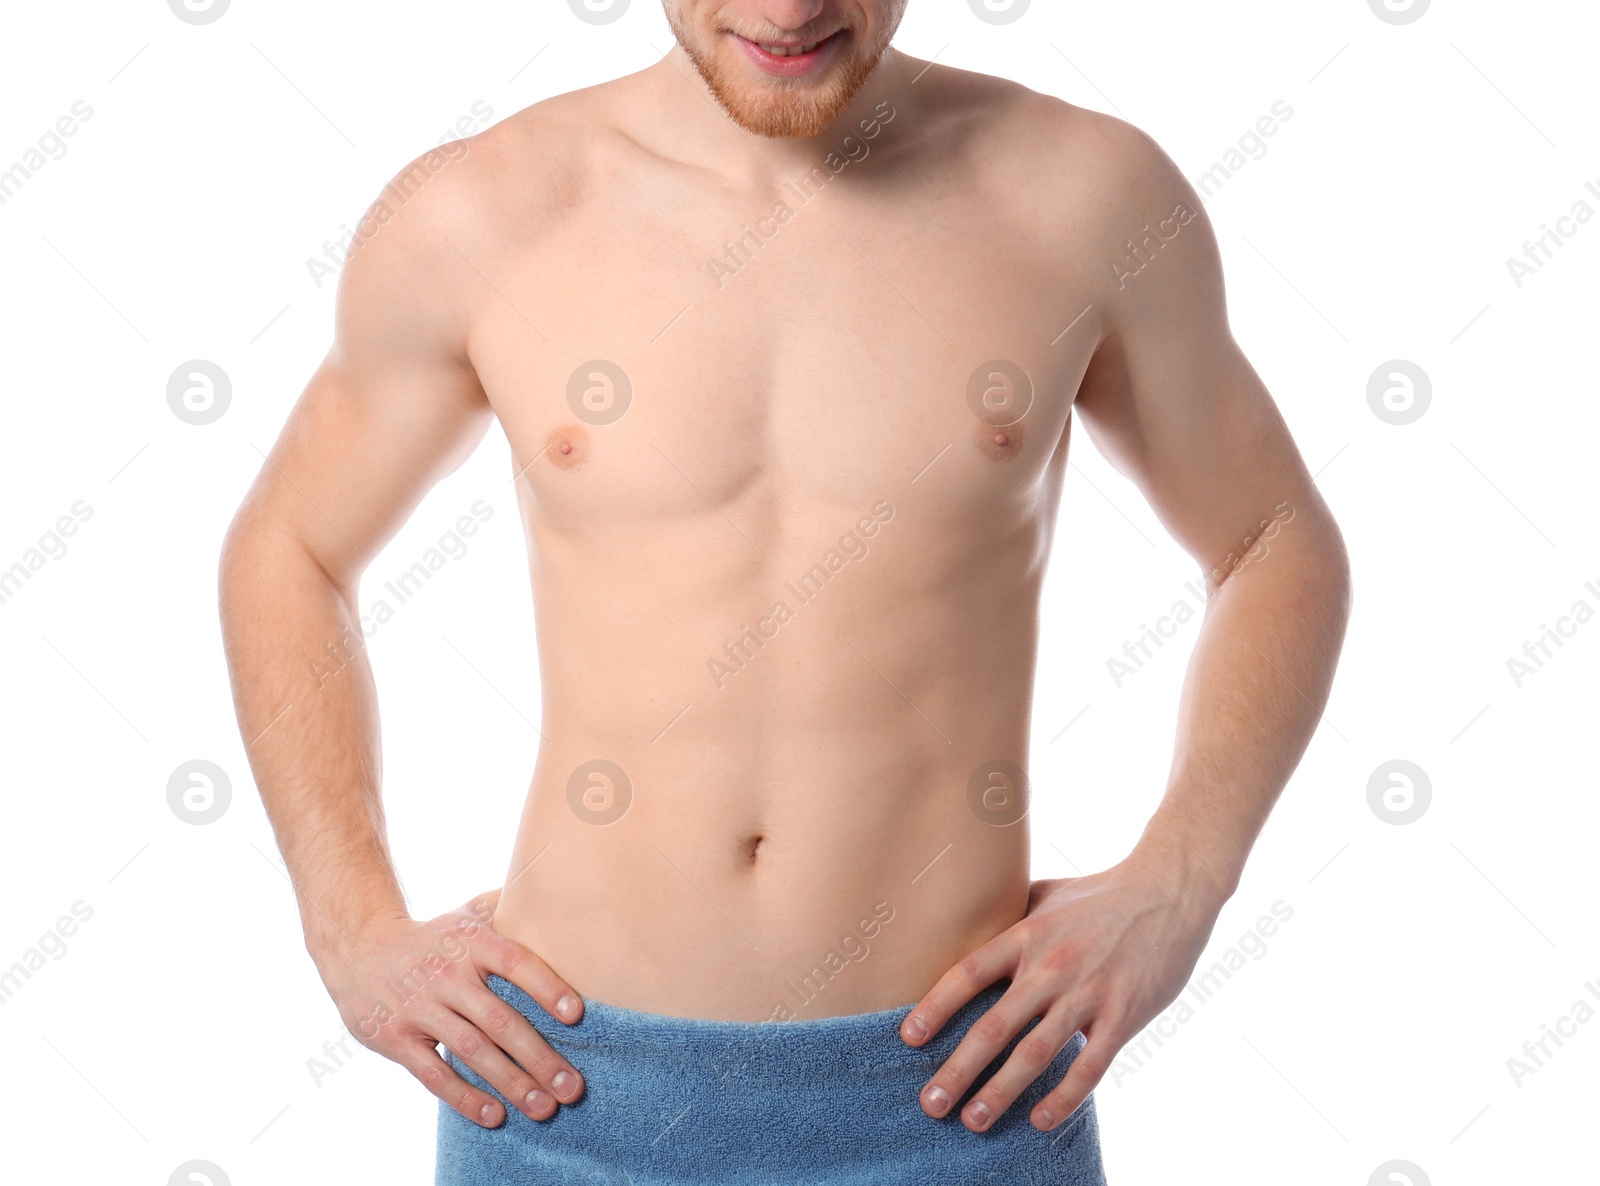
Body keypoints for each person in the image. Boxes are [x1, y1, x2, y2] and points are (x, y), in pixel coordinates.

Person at [218, 2, 1351, 1181]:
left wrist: (1181, 878)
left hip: (965, 1094)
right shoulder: (479, 215)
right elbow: (289, 543)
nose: (788, 9)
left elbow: (1271, 537)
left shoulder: (1082, 194)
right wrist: (349, 925)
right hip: (559, 1094)